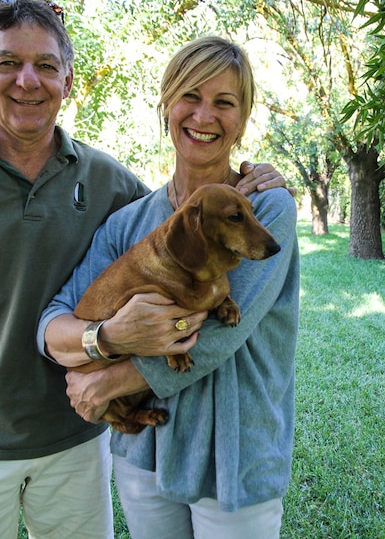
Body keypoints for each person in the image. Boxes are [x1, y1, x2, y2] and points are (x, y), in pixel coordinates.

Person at [0, 0, 287, 539]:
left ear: (67, 81)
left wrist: (252, 187)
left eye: (46, 65)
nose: (28, 80)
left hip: (85, 441)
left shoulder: (112, 183)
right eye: (8, 63)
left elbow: (202, 280)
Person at [39, 36, 300, 538]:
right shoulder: (129, 222)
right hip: (144, 454)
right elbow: (56, 319)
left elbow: (221, 333)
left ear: (242, 119)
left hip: (236, 453)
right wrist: (102, 341)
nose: (204, 116)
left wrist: (108, 384)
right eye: (190, 96)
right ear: (166, 105)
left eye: (224, 102)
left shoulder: (269, 211)